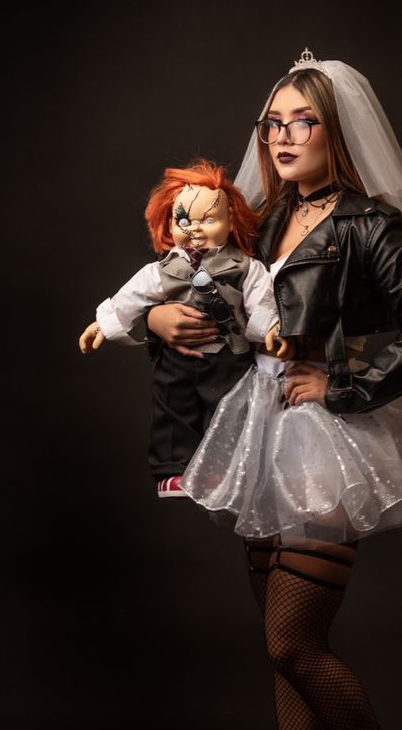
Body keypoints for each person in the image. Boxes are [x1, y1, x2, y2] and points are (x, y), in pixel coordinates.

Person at [146, 50, 402, 730]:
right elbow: (188, 282)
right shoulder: (253, 218)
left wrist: (345, 383)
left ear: (337, 132)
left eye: (303, 120)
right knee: (286, 657)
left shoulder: (368, 224)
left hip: (328, 437)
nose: (283, 134)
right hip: (259, 431)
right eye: (274, 121)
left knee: (291, 639)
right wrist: (155, 313)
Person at [77, 160, 293, 494]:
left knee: (232, 409)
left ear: (230, 219)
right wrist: (103, 324)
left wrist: (270, 329)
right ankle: (173, 469)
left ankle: (228, 468)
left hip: (227, 353)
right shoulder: (162, 268)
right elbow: (133, 296)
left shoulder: (244, 267)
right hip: (177, 356)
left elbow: (260, 300)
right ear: (168, 221)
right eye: (183, 220)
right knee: (172, 404)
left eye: (209, 219)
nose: (195, 229)